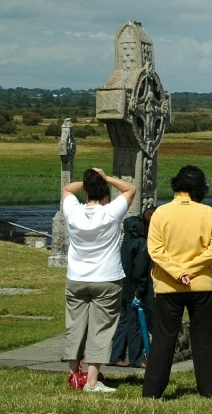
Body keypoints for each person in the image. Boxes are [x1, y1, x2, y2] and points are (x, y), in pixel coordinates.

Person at [143, 165, 212, 399]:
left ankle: (153, 391)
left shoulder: (161, 213)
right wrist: (191, 268)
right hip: (202, 283)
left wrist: (178, 271)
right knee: (205, 338)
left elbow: (155, 250)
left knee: (163, 339)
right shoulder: (209, 213)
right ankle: (209, 388)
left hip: (168, 284)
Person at [62, 168, 135, 393]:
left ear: (85, 195)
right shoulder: (111, 212)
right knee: (100, 328)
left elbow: (66, 189)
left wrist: (88, 181)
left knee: (75, 326)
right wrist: (105, 178)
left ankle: (75, 375)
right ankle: (92, 381)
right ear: (105, 197)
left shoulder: (72, 211)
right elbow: (130, 189)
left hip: (76, 277)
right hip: (106, 277)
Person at [109, 206, 155, 369]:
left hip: (123, 281)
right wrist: (141, 292)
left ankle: (116, 355)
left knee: (123, 320)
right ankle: (137, 358)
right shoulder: (143, 243)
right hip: (134, 286)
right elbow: (140, 271)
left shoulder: (131, 232)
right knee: (134, 322)